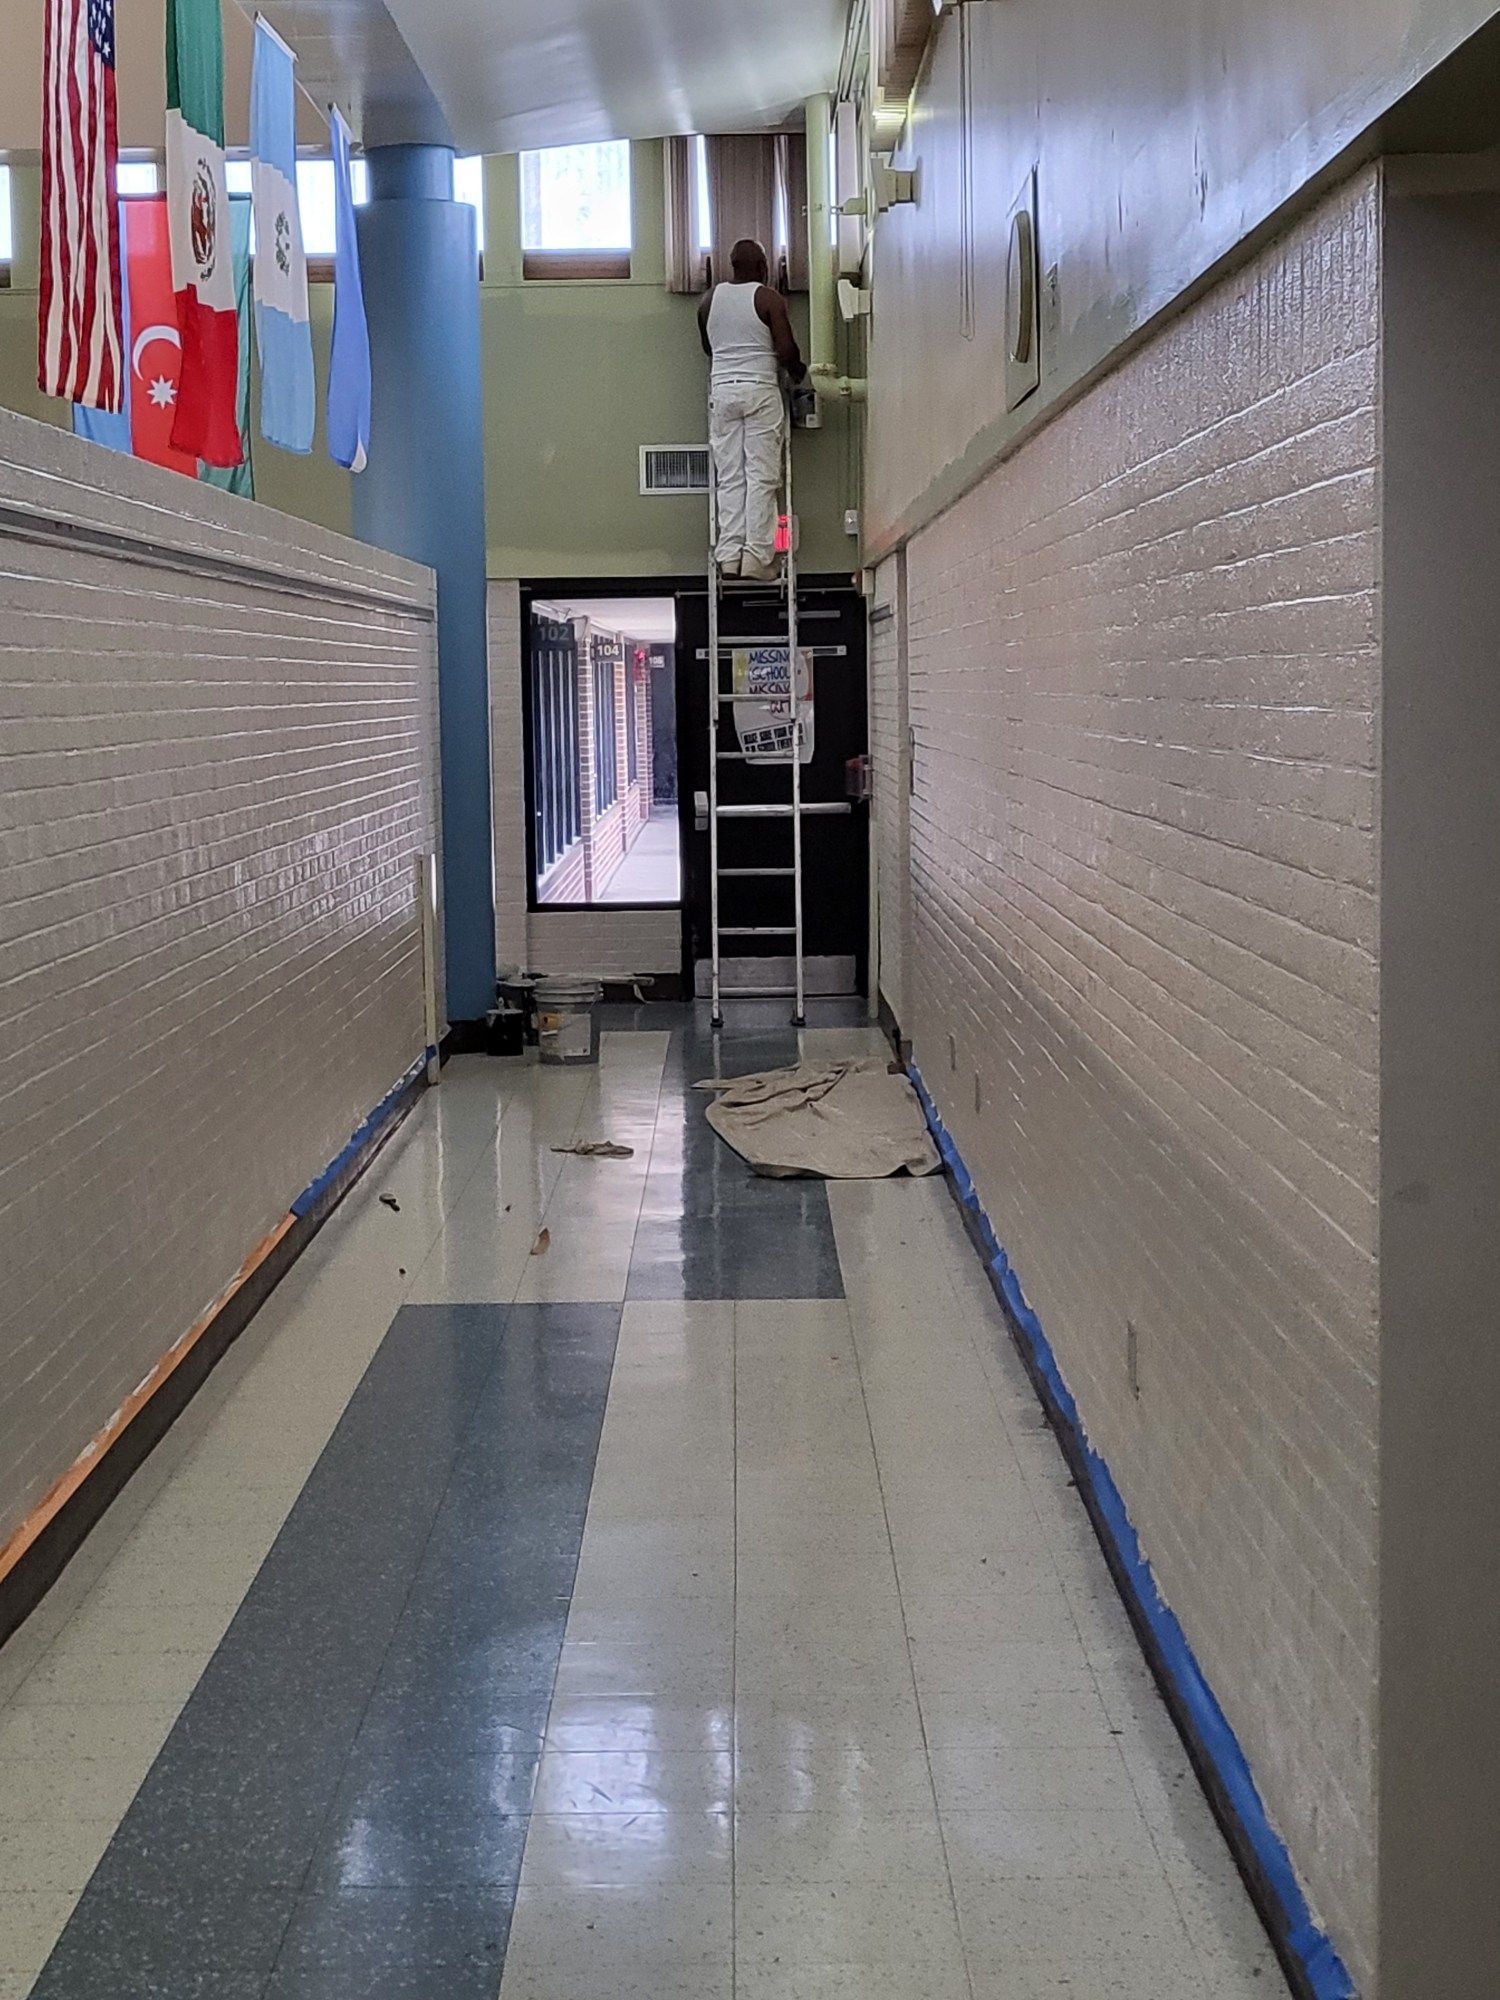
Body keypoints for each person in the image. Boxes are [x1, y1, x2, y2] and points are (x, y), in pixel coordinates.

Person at [698, 238, 806, 582]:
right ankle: (757, 560)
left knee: (730, 477)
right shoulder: (767, 297)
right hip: (759, 390)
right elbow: (786, 351)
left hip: (722, 392)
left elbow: (707, 348)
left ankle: (729, 557)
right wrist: (799, 370)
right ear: (763, 266)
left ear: (731, 266)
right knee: (761, 476)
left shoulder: (708, 300)